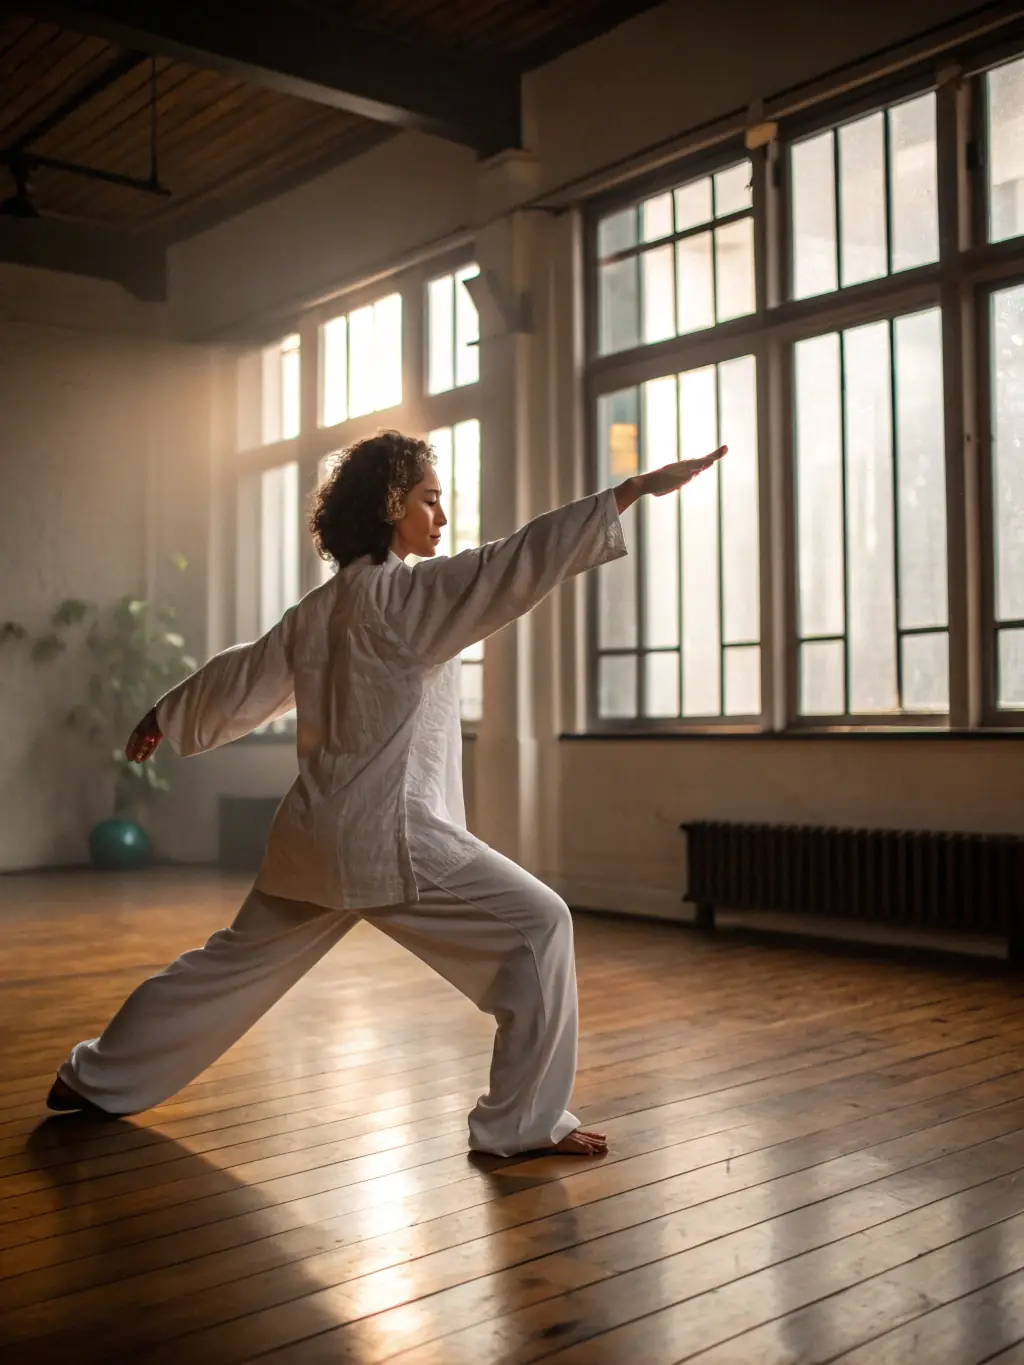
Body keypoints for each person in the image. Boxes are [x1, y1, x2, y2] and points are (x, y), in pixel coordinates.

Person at [46, 431, 726, 1157]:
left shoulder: (322, 606)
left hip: (315, 836)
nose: (440, 515)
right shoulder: (412, 593)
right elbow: (516, 560)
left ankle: (94, 1074)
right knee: (543, 925)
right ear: (390, 505)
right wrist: (629, 491)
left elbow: (244, 673)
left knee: (222, 967)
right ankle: (519, 1124)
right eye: (430, 499)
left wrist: (166, 712)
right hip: (392, 836)